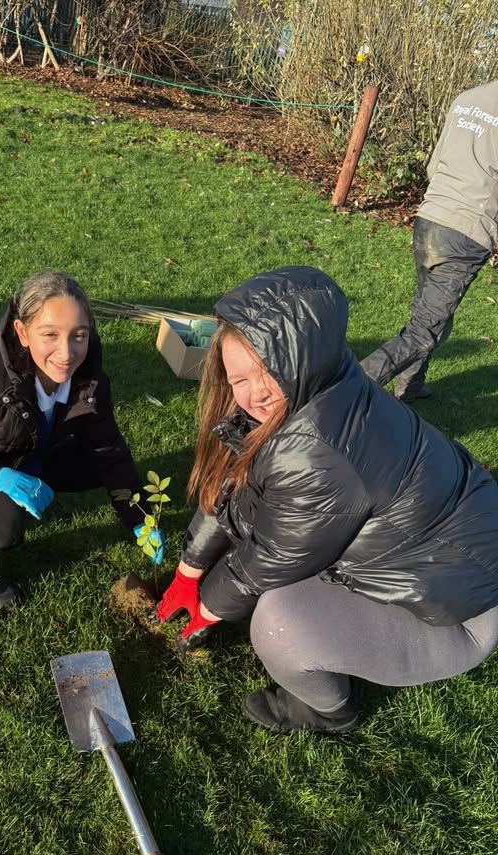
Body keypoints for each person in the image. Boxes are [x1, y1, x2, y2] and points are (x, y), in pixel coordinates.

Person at [155, 266, 498, 734]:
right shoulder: (319, 393)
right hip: (439, 554)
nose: (253, 394)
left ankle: (326, 711)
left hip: (461, 611)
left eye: (268, 372)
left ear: (303, 361)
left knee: (279, 622)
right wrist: (188, 571)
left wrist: (207, 607)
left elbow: (272, 556)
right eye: (238, 379)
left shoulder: (320, 453)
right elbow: (229, 489)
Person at [0, 270, 161, 609]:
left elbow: (109, 451)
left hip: (23, 456)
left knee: (98, 462)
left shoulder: (89, 379)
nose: (66, 352)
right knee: (4, 518)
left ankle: (18, 488)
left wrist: (140, 518)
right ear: (22, 332)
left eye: (79, 335)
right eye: (49, 334)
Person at [361, 80, 498, 402]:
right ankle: (340, 391)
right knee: (424, 330)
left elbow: (434, 164)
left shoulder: (467, 98)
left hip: (430, 218)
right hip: (467, 231)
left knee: (429, 314)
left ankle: (411, 386)